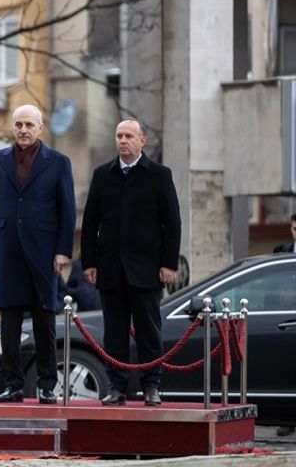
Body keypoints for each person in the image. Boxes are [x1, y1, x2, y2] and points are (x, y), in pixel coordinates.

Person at [0, 104, 75, 405]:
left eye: (29, 125)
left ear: (40, 129)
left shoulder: (58, 162)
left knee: (45, 321)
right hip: (7, 251)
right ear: (13, 127)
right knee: (9, 322)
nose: (23, 130)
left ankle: (47, 385)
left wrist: (62, 251)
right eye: (18, 124)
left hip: (44, 253)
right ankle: (13, 384)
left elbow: (67, 210)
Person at [80, 119, 181, 407]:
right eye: (119, 136)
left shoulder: (159, 175)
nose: (123, 140)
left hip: (147, 270)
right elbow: (90, 224)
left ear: (142, 141)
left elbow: (172, 223)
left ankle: (152, 386)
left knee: (149, 331)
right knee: (114, 332)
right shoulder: (103, 175)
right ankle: (117, 387)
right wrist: (89, 263)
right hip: (111, 269)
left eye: (129, 136)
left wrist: (169, 264)